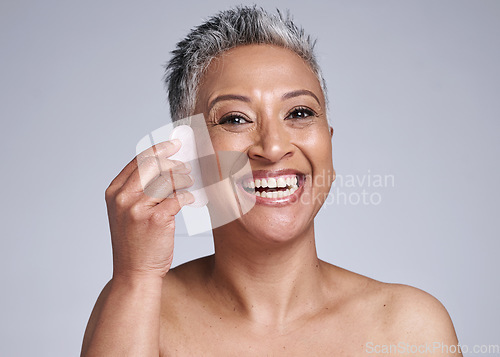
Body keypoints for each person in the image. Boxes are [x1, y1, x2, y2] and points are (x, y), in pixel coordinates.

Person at [81, 6, 461, 356]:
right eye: (235, 119)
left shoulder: (410, 329)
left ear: (328, 138)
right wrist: (137, 277)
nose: (274, 147)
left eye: (299, 112)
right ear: (186, 153)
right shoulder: (139, 309)